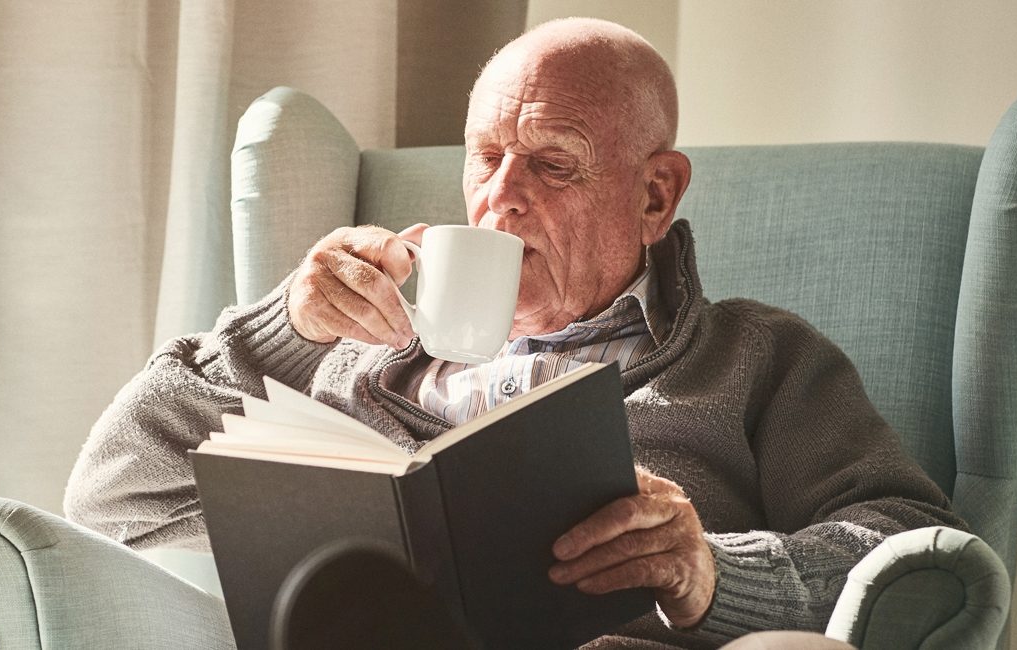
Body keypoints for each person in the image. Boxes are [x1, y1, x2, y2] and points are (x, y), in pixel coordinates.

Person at [66, 17, 965, 649]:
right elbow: (114, 494)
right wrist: (281, 331)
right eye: (485, 157)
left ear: (656, 195)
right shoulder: (350, 358)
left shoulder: (756, 360)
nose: (501, 197)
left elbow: (914, 552)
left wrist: (709, 575)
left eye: (552, 163)